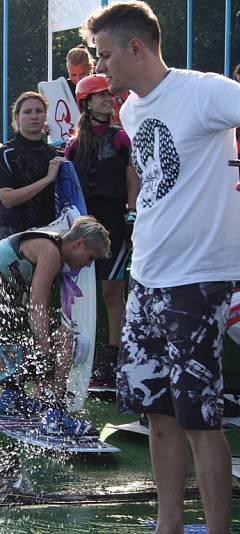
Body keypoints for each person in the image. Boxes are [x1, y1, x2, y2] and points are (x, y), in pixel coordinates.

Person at [83, 3, 240, 532]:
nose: (100, 67)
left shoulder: (205, 90)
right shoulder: (131, 111)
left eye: (104, 55)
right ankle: (166, 525)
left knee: (201, 419)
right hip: (147, 275)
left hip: (198, 279)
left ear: (136, 48)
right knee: (157, 414)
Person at [0, 216, 111, 435]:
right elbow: (37, 305)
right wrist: (46, 350)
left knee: (37, 332)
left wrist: (42, 345)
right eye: (90, 257)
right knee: (64, 336)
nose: (88, 264)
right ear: (79, 244)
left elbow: (29, 305)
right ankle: (54, 413)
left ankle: (11, 396)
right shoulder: (51, 251)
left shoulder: (46, 242)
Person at [65, 74, 139, 386]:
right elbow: (66, 185)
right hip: (82, 223)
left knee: (112, 291)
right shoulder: (73, 144)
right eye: (101, 95)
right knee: (82, 294)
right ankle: (81, 356)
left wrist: (132, 211)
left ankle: (113, 359)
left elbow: (132, 175)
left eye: (110, 94)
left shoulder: (121, 137)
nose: (109, 99)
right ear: (87, 102)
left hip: (114, 220)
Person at [0, 92, 62, 244]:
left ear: (46, 115)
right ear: (17, 117)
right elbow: (7, 199)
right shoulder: (5, 153)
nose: (34, 116)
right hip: (12, 235)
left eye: (39, 111)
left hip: (48, 232)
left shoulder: (54, 155)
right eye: (27, 112)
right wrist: (47, 179)